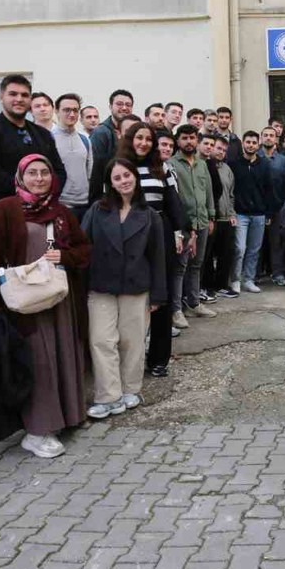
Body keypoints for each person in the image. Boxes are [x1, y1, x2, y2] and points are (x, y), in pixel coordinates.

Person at [0, 155, 91, 458]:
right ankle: (37, 431)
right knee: (39, 359)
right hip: (24, 304)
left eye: (45, 173)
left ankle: (66, 416)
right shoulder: (3, 211)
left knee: (64, 355)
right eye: (32, 173)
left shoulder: (60, 212)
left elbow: (84, 249)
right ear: (20, 177)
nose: (39, 178)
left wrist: (65, 257)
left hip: (60, 301)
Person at [81, 158, 166, 419]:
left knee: (133, 341)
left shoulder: (150, 215)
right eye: (117, 178)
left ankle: (131, 389)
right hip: (101, 286)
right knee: (101, 340)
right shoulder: (97, 210)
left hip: (136, 286)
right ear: (110, 183)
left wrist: (158, 295)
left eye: (127, 175)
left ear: (135, 177)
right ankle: (108, 397)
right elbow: (83, 245)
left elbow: (158, 257)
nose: (123, 181)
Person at [117, 123, 186, 378]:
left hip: (160, 236)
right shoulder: (120, 167)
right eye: (139, 138)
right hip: (128, 237)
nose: (144, 143)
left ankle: (158, 359)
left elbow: (173, 204)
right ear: (130, 140)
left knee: (161, 295)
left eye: (148, 139)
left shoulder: (162, 168)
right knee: (131, 298)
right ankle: (129, 357)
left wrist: (181, 233)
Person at [0, 75, 67, 219]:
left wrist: (45, 194)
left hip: (43, 215)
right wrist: (32, 191)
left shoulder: (43, 134)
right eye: (13, 94)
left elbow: (59, 171)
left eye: (25, 95)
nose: (19, 99)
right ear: (1, 96)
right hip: (3, 215)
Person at [168, 124, 217, 327]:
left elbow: (208, 192)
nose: (189, 141)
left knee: (197, 264)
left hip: (203, 220)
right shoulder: (171, 164)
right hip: (184, 224)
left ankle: (194, 303)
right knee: (180, 267)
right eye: (185, 138)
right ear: (178, 141)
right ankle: (176, 310)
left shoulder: (202, 164)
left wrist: (212, 215)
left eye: (192, 138)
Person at [230, 131, 278, 293]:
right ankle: (235, 279)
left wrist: (269, 214)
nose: (250, 145)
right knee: (239, 248)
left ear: (258, 145)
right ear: (243, 143)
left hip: (259, 214)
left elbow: (269, 190)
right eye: (248, 142)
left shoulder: (264, 165)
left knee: (254, 249)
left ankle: (248, 279)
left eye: (253, 142)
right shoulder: (234, 164)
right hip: (240, 213)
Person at [204, 135, 239, 299]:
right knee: (208, 255)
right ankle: (208, 287)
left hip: (226, 218)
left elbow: (231, 194)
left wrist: (232, 213)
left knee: (226, 253)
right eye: (218, 148)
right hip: (211, 218)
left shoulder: (227, 169)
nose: (221, 152)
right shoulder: (203, 166)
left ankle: (222, 286)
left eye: (224, 150)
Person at [52, 93, 93, 222]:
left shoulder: (85, 139)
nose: (72, 114)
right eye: (66, 110)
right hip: (60, 205)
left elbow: (89, 173)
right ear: (56, 111)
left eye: (75, 110)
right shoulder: (48, 139)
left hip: (85, 205)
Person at [261, 126, 285, 287]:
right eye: (265, 135)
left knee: (277, 243)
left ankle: (278, 273)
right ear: (261, 138)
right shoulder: (254, 157)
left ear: (276, 139)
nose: (268, 138)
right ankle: (254, 275)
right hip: (257, 208)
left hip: (278, 207)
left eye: (271, 135)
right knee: (256, 245)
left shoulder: (283, 161)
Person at [90, 90, 135, 166]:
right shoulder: (100, 132)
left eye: (128, 105)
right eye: (119, 104)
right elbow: (96, 167)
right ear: (110, 107)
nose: (124, 108)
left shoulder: (134, 130)